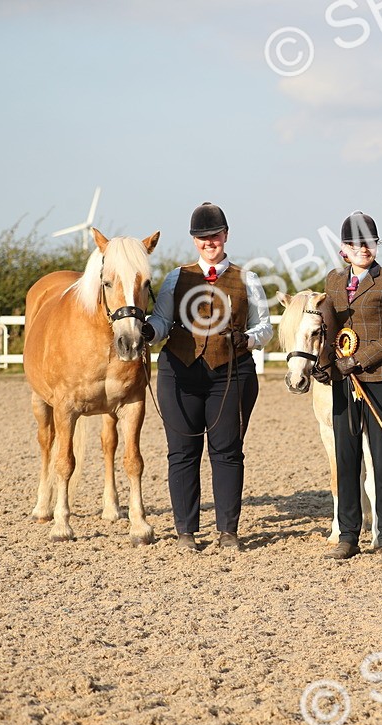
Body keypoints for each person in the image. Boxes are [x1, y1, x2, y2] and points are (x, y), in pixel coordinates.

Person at [143, 202, 272, 551]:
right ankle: (185, 531)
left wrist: (249, 339)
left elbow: (264, 327)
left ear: (225, 235)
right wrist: (148, 332)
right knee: (182, 451)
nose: (209, 242)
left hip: (230, 373)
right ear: (194, 240)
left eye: (214, 235)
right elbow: (162, 320)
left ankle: (228, 530)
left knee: (227, 451)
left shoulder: (247, 279)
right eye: (202, 237)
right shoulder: (176, 277)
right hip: (180, 371)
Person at [319, 212, 382, 562]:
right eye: (356, 244)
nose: (364, 249)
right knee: (346, 457)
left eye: (369, 243)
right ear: (344, 249)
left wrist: (358, 360)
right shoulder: (332, 281)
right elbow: (327, 329)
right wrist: (325, 365)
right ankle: (348, 535)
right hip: (343, 382)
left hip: (381, 378)